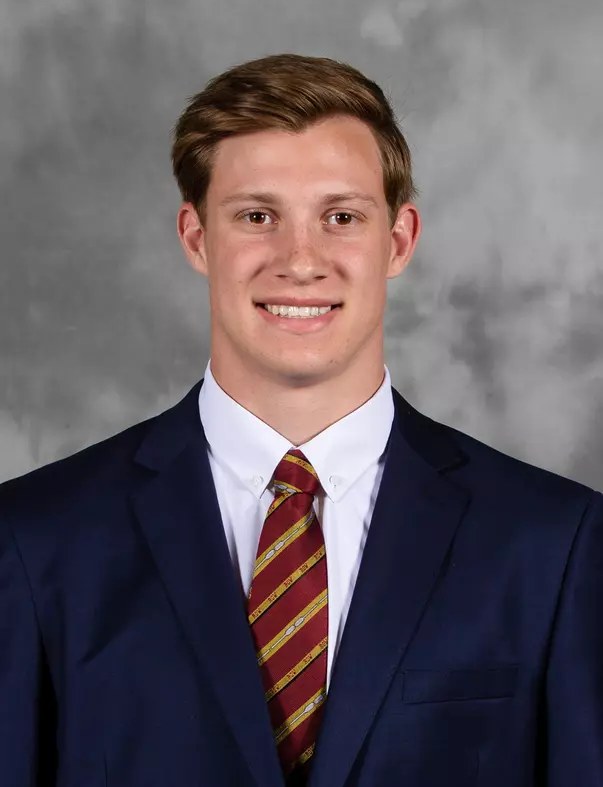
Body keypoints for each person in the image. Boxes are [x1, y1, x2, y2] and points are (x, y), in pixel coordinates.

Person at [1, 52, 602, 787]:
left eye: (340, 216)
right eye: (258, 216)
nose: (300, 259)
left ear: (398, 239)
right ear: (196, 237)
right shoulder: (34, 538)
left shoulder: (553, 543)